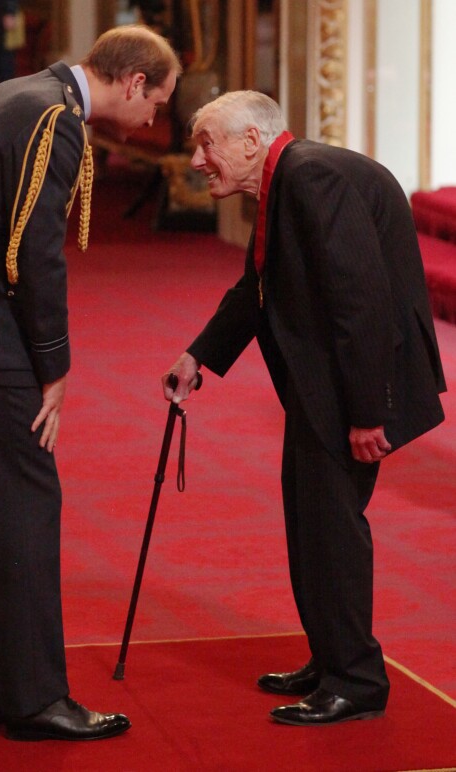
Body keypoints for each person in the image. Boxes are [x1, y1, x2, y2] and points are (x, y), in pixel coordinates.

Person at [0, 24, 180, 742]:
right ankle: (35, 700)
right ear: (134, 81)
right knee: (22, 509)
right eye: (160, 102)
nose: (154, 121)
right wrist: (55, 366)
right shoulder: (56, 119)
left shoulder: (27, 93)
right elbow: (34, 255)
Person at [162, 90, 446, 727]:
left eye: (207, 143)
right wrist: (198, 356)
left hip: (354, 390)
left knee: (333, 532)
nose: (198, 159)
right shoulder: (287, 179)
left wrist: (369, 412)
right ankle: (330, 658)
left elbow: (360, 300)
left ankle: (357, 680)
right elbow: (256, 286)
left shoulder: (310, 177)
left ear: (251, 142)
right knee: (311, 523)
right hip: (328, 384)